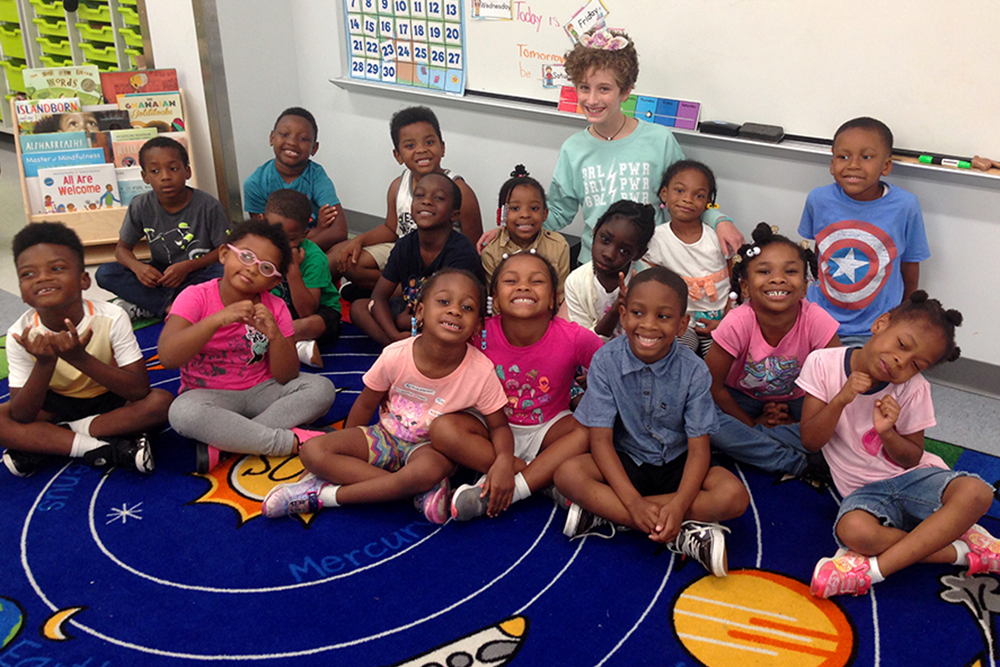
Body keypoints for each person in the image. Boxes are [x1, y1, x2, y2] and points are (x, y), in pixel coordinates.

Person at [262, 269, 511, 525]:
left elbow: (499, 425)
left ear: (479, 324)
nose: (455, 311)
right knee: (314, 451)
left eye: (467, 307)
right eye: (444, 302)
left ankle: (327, 495)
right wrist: (346, 452)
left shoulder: (480, 371)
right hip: (385, 437)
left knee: (427, 471)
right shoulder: (396, 355)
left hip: (429, 449)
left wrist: (503, 460)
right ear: (420, 312)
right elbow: (366, 402)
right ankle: (413, 491)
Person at [476, 29, 743, 264]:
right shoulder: (573, 149)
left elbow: (688, 199)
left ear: (625, 91)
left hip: (653, 262)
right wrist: (508, 230)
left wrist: (720, 222)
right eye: (584, 88)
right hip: (595, 264)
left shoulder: (659, 141)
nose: (591, 99)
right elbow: (556, 212)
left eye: (604, 89)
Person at [799, 292, 1000, 597]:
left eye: (915, 364)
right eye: (902, 345)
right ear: (881, 323)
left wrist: (888, 433)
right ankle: (960, 550)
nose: (900, 362)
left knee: (978, 492)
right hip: (862, 492)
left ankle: (872, 572)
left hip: (915, 478)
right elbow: (811, 441)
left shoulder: (913, 388)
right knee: (853, 531)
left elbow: (911, 459)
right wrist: (841, 399)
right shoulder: (822, 363)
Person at [553, 267, 749, 577]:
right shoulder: (605, 361)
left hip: (678, 465)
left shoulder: (695, 370)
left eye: (663, 316)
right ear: (623, 313)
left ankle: (609, 516)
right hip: (626, 461)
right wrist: (633, 502)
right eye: (637, 312)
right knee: (567, 473)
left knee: (734, 496)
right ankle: (682, 533)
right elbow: (600, 440)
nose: (648, 325)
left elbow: (699, 450)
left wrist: (680, 503)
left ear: (682, 323)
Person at [430, 252, 602, 521]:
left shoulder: (575, 338)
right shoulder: (479, 332)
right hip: (489, 425)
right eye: (511, 280)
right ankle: (542, 480)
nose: (524, 287)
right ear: (495, 299)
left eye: (537, 281)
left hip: (548, 428)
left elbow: (611, 372)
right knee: (442, 429)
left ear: (554, 298)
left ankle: (518, 487)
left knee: (592, 429)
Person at [158, 220, 337, 473]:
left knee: (321, 388)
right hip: (208, 395)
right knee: (182, 412)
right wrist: (216, 320)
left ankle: (229, 442)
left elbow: (286, 375)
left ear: (274, 283)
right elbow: (168, 356)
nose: (252, 269)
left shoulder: (275, 307)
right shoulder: (194, 296)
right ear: (223, 254)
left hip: (261, 391)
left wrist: (275, 336)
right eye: (246, 256)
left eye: (265, 267)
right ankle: (286, 442)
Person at [1, 222, 172, 477]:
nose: (43, 278)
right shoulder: (19, 335)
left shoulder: (112, 317)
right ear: (23, 294)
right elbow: (23, 414)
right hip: (56, 405)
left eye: (56, 268)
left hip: (111, 399)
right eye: (28, 274)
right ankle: (99, 447)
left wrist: (79, 358)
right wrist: (44, 364)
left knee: (162, 403)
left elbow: (138, 390)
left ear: (84, 279)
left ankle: (56, 439)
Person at [704, 223, 840, 477]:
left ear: (804, 286)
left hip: (802, 400)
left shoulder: (816, 319)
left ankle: (764, 444)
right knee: (705, 422)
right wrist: (750, 425)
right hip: (741, 400)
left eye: (790, 271)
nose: (778, 279)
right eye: (764, 271)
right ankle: (797, 463)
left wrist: (798, 420)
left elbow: (838, 382)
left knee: (844, 425)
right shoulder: (737, 321)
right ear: (744, 287)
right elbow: (713, 386)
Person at [799, 117, 930, 346]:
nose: (853, 165)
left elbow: (910, 263)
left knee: (863, 376)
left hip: (874, 326)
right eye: (843, 157)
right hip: (818, 317)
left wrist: (903, 315)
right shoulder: (818, 199)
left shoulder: (905, 206)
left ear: (886, 166)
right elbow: (820, 249)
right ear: (832, 163)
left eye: (866, 157)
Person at [329, 106, 483, 291]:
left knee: (444, 285)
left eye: (429, 142)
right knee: (350, 261)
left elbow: (474, 247)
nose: (421, 150)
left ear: (442, 147)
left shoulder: (460, 190)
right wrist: (359, 240)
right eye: (410, 145)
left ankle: (392, 293)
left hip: (442, 262)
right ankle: (400, 292)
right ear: (398, 155)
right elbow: (390, 229)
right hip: (404, 255)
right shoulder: (397, 186)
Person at [95, 136, 230, 321]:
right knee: (106, 273)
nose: (165, 176)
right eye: (155, 171)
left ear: (187, 171)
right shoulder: (140, 205)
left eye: (173, 169)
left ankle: (151, 306)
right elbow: (122, 250)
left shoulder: (208, 205)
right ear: (145, 177)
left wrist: (187, 267)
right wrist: (138, 268)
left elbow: (225, 252)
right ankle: (168, 306)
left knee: (225, 271)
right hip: (161, 277)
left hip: (196, 275)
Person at [350, 172, 484, 346]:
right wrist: (393, 334)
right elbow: (379, 296)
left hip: (448, 317)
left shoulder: (462, 254)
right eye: (419, 195)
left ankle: (410, 347)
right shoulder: (405, 245)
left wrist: (408, 322)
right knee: (360, 308)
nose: (427, 201)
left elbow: (454, 311)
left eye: (438, 198)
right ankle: (396, 346)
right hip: (410, 312)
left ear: (455, 215)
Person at [645, 160, 730, 357]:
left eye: (698, 195)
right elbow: (650, 283)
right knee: (678, 356)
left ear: (708, 202)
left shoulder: (717, 236)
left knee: (719, 360)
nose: (688, 199)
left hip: (720, 321)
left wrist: (726, 320)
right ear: (664, 193)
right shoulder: (657, 238)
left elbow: (733, 278)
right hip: (683, 324)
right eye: (680, 191)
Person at [243, 107, 347, 252]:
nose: (292, 142)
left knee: (344, 254)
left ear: (314, 148)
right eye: (285, 134)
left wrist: (299, 248)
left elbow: (339, 231)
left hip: (312, 249)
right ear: (272, 138)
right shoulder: (256, 183)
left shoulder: (316, 176)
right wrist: (318, 230)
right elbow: (263, 237)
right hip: (276, 253)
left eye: (303, 138)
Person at [263, 189, 342, 368]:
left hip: (317, 310)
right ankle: (296, 346)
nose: (280, 243)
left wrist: (292, 269)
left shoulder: (314, 257)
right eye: (274, 234)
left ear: (304, 235)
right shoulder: (259, 249)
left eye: (289, 238)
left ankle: (268, 344)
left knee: (311, 324)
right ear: (262, 223)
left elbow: (308, 311)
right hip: (277, 311)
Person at [559, 200, 654, 340]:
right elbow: (583, 342)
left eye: (624, 251)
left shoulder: (648, 283)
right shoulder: (576, 282)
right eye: (605, 239)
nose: (609, 254)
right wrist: (617, 308)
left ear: (639, 253)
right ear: (596, 229)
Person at [480, 164, 570, 304]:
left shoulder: (558, 246)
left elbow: (562, 295)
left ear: (545, 214)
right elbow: (495, 299)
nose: (525, 215)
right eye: (515, 208)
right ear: (502, 214)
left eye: (534, 208)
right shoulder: (491, 250)